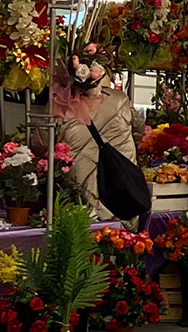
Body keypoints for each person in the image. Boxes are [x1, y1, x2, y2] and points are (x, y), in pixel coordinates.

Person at [52, 50, 142, 223]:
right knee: (123, 221)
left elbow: (41, 142)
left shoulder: (60, 104)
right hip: (121, 169)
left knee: (85, 222)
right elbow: (138, 129)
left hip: (81, 173)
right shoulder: (120, 98)